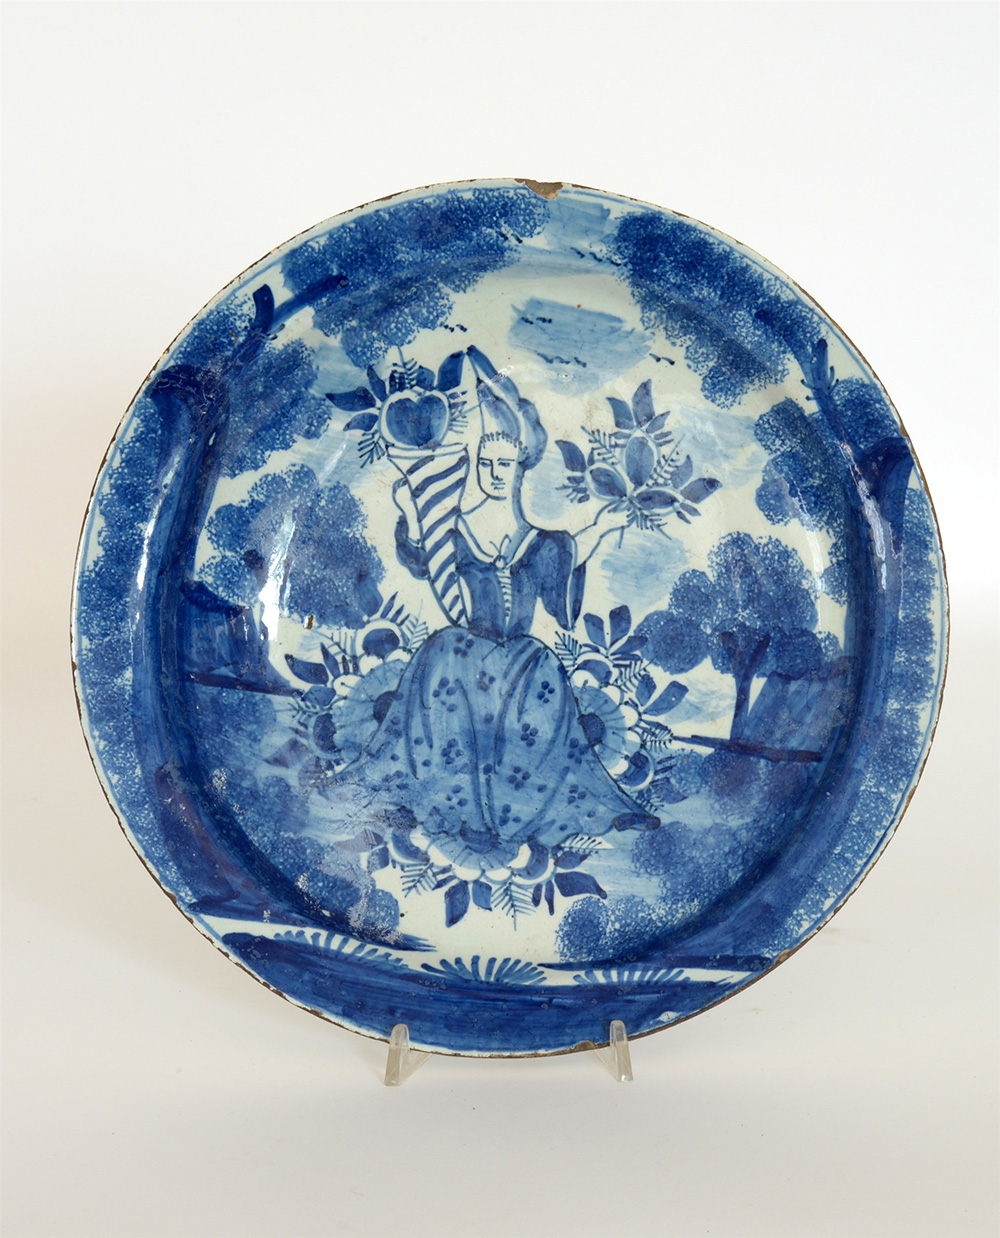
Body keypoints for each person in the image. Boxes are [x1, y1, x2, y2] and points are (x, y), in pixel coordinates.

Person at [326, 418, 659, 885]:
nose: (493, 473)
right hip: (459, 651)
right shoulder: (455, 529)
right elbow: (423, 561)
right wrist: (410, 512)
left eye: (504, 464)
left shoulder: (543, 542)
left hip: (524, 658)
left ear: (522, 468)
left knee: (541, 683)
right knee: (448, 680)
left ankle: (535, 807)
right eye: (485, 463)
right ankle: (439, 806)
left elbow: (562, 598)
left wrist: (598, 535)